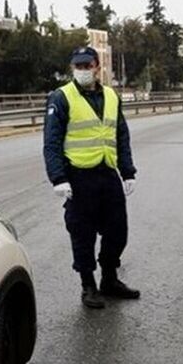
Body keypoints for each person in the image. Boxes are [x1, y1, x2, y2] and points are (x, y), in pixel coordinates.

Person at [43, 46, 140, 309]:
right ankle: (88, 285)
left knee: (117, 231)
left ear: (97, 66)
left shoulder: (111, 96)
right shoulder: (61, 97)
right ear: (72, 68)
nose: (83, 71)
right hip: (78, 176)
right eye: (78, 66)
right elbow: (51, 143)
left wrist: (127, 171)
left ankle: (110, 279)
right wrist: (58, 178)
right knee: (82, 233)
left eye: (87, 66)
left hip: (107, 173)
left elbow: (121, 135)